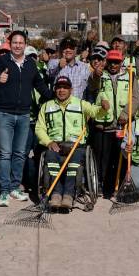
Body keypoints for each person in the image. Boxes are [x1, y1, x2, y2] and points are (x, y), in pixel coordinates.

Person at [0, 30, 51, 207]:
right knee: (5, 153)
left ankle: (14, 187)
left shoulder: (31, 64)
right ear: (10, 44)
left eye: (20, 43)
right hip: (4, 114)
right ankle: (4, 190)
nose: (17, 45)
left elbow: (39, 84)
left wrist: (54, 97)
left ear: (25, 44)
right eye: (14, 42)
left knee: (19, 153)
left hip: (24, 115)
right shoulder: (1, 61)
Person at [35, 76, 107, 210]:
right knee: (50, 157)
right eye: (59, 87)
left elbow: (95, 112)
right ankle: (56, 194)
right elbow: (39, 128)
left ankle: (68, 195)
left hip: (76, 145)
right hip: (55, 145)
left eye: (65, 88)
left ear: (71, 90)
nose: (61, 90)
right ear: (55, 89)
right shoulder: (46, 106)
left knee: (75, 160)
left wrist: (103, 109)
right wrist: (48, 142)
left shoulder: (80, 104)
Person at [87, 49, 138, 199]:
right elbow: (92, 86)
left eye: (116, 62)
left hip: (122, 125)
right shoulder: (99, 75)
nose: (113, 65)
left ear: (121, 62)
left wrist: (126, 114)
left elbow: (135, 98)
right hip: (104, 125)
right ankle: (102, 185)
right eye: (110, 62)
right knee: (103, 158)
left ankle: (120, 185)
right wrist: (96, 75)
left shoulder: (130, 76)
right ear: (106, 62)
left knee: (120, 156)